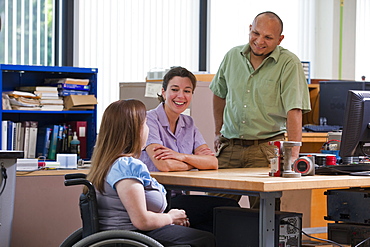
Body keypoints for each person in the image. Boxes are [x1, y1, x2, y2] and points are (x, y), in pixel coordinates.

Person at [209, 11, 311, 208]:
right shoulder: (232, 56)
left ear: (280, 39)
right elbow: (219, 93)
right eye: (256, 33)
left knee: (264, 215)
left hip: (266, 149)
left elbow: (294, 110)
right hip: (230, 146)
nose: (259, 41)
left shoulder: (289, 63)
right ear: (249, 29)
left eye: (268, 37)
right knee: (212, 209)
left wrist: (294, 154)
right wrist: (217, 131)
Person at [86, 99, 216, 247]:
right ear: (135, 130)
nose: (148, 129)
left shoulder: (106, 163)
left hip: (123, 236)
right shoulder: (127, 166)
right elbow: (142, 221)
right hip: (131, 238)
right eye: (145, 124)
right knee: (205, 239)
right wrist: (170, 217)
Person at [140, 66, 239, 232]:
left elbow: (213, 162)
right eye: (174, 89)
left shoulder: (188, 123)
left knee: (223, 215)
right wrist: (195, 162)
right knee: (225, 209)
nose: (181, 96)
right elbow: (165, 166)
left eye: (187, 91)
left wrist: (181, 157)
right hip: (155, 200)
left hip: (177, 198)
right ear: (163, 92)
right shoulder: (149, 120)